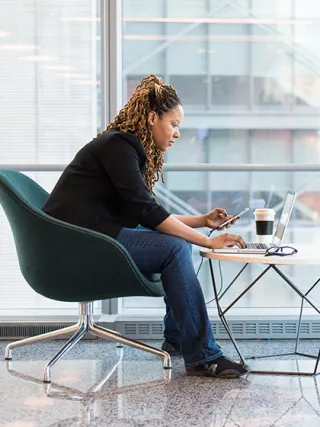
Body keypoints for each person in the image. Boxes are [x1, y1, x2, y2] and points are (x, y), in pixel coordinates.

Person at [42, 74, 249, 378]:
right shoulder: (119, 146)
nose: (177, 133)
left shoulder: (123, 146)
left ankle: (178, 340)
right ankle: (203, 355)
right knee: (176, 247)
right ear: (153, 117)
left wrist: (202, 222)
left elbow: (146, 212)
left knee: (177, 243)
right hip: (75, 244)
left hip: (87, 236)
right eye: (174, 124)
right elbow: (149, 213)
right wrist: (207, 240)